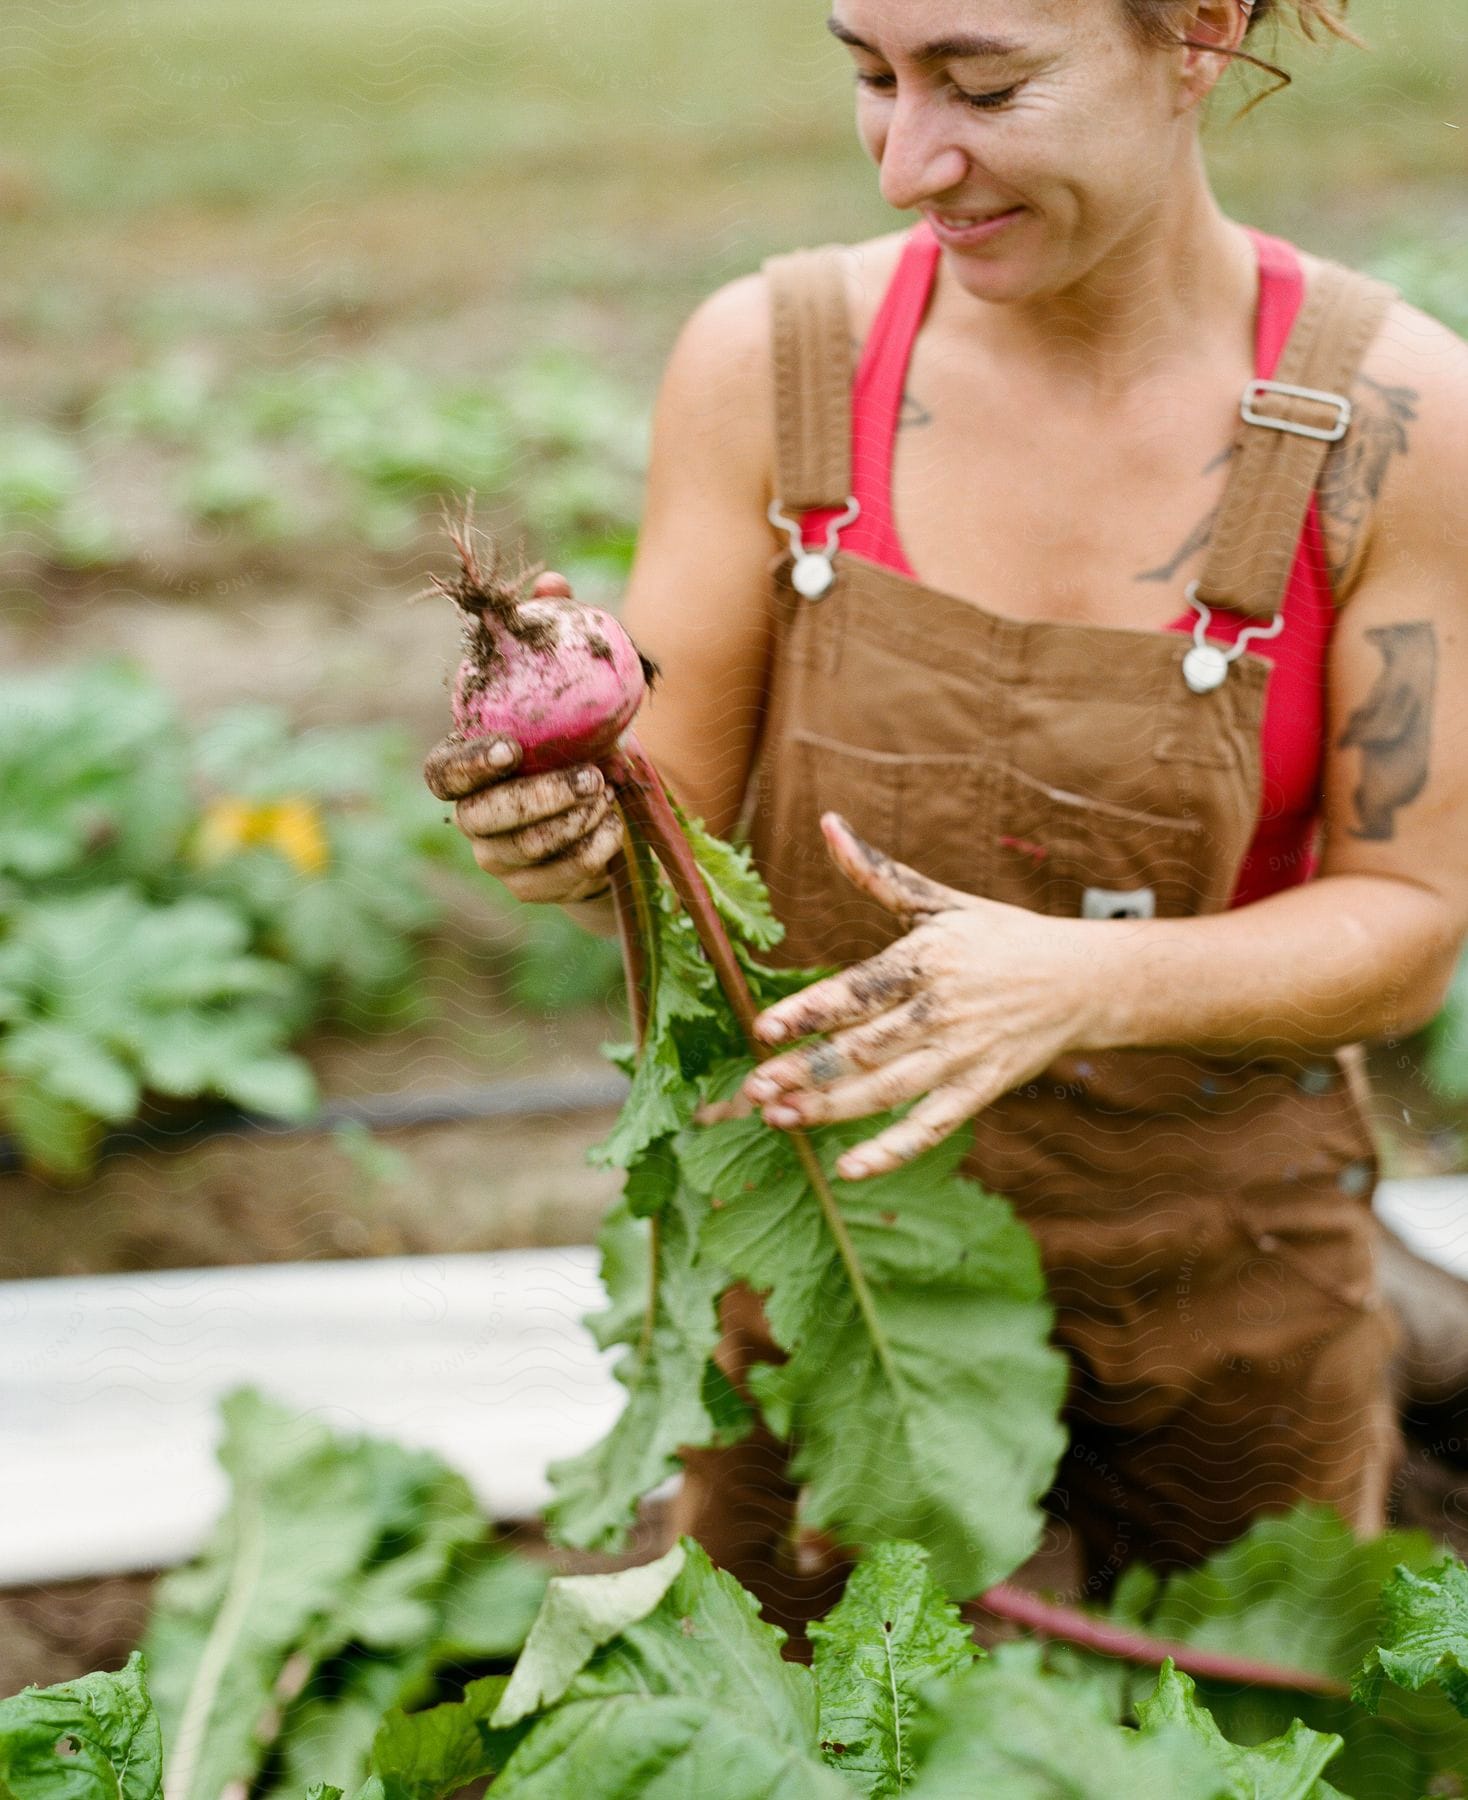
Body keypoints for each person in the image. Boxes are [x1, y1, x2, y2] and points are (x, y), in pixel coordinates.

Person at [426, 0, 1468, 1637]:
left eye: (985, 85)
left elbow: (1407, 928)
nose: (912, 159)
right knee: (798, 1709)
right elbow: (666, 847)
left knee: (1236, 1720)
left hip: (1221, 1258)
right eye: (870, 76)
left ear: (1197, 33)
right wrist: (569, 830)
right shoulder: (772, 372)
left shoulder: (1395, 425)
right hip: (833, 1255)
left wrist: (1083, 983)